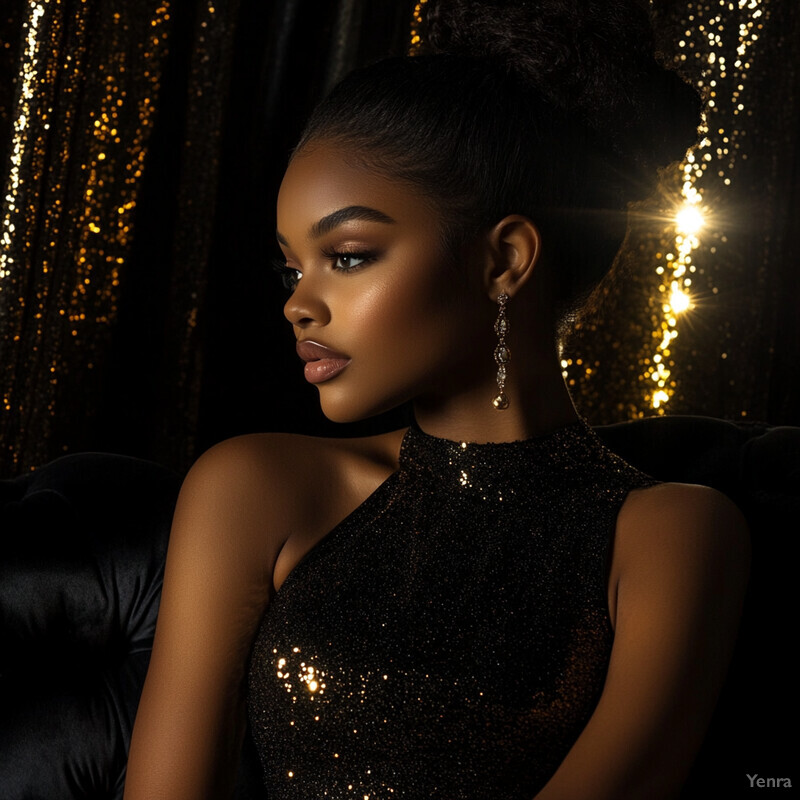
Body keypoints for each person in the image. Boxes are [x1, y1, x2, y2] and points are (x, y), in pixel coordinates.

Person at [123, 1, 750, 798]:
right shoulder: (253, 487)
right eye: (293, 267)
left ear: (505, 261)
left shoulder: (674, 536)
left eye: (347, 257)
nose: (297, 305)